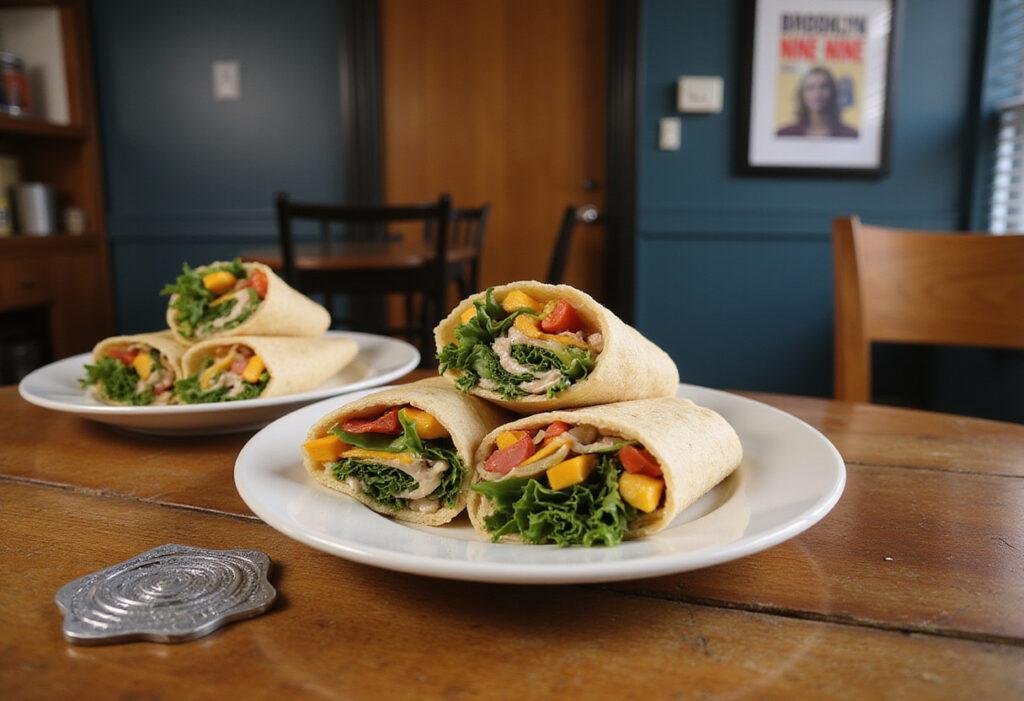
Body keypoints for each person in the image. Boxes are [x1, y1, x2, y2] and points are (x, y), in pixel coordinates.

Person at [776, 66, 858, 138]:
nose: (817, 93)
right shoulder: (785, 134)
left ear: (833, 92)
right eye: (810, 88)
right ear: (802, 95)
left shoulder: (850, 134)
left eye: (824, 87)